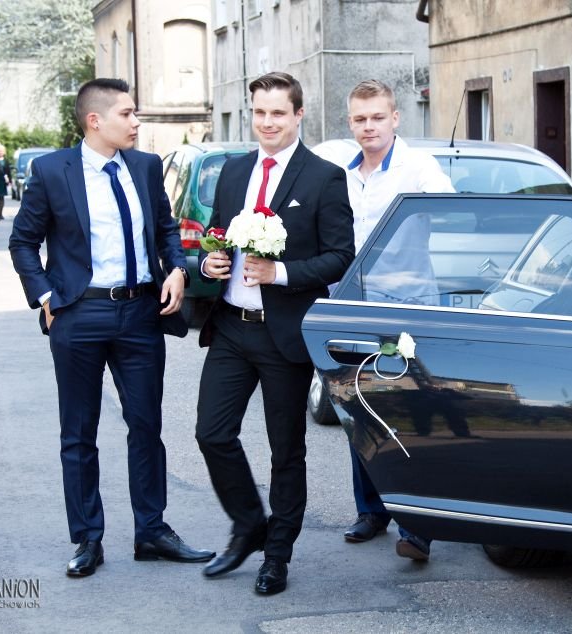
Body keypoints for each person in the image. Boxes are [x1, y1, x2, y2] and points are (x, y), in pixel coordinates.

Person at [8, 78, 214, 578]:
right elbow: (23, 242)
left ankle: (152, 531)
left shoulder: (144, 166)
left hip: (141, 314)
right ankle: (87, 538)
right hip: (79, 313)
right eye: (127, 113)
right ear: (95, 120)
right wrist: (46, 296)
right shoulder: (52, 171)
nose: (136, 121)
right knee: (79, 432)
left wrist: (177, 269)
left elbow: (165, 228)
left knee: (146, 425)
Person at [195, 71, 354, 596]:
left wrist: (280, 272)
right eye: (259, 113)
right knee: (212, 433)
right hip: (231, 328)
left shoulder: (323, 177)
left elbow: (340, 256)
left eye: (278, 113)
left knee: (286, 450)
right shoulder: (234, 170)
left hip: (282, 336)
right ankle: (249, 525)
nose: (267, 123)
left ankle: (277, 555)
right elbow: (216, 232)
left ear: (298, 114)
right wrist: (211, 261)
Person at [339, 79, 454, 561]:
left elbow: (449, 206)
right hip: (354, 305)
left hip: (407, 307)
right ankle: (371, 511)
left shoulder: (418, 166)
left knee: (407, 415)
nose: (369, 126)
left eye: (377, 117)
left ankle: (417, 527)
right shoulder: (343, 174)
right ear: (351, 122)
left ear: (395, 118)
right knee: (360, 408)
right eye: (360, 119)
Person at [0, 142, 11, 220]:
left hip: (2, 181)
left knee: (1, 197)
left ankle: (0, 214)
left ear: (4, 152)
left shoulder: (6, 161)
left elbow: (8, 171)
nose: (0, 152)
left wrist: (9, 181)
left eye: (1, 151)